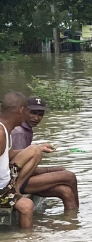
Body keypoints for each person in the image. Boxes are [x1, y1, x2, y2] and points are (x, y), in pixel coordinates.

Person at [10, 96, 80, 211]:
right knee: (69, 176)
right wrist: (47, 169)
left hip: (22, 177)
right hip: (16, 182)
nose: (36, 118)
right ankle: (78, 212)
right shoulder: (19, 132)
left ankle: (73, 221)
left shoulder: (26, 129)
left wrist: (51, 169)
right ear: (23, 111)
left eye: (40, 114)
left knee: (65, 191)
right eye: (33, 113)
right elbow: (18, 169)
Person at [0, 92, 40, 228]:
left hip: (6, 183)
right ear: (21, 110)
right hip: (1, 189)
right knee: (27, 206)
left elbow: (8, 154)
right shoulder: (0, 133)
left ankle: (15, 189)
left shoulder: (6, 129)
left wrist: (37, 149)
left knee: (35, 150)